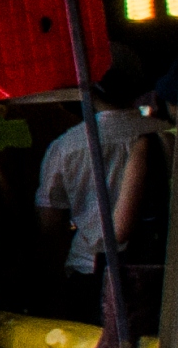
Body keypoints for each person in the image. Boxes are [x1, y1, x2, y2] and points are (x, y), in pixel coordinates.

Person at [34, 45, 164, 321]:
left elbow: (50, 227)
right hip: (158, 272)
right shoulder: (164, 136)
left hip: (86, 272)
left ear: (89, 89)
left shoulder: (64, 146)